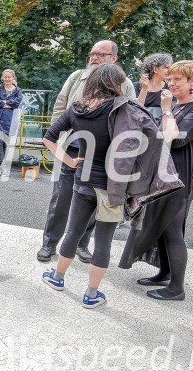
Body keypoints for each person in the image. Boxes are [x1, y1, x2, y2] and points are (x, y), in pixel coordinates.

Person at [119, 60, 193, 300]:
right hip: (165, 175)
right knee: (163, 226)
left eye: (178, 79)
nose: (172, 83)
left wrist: (167, 109)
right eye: (170, 79)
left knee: (172, 229)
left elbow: (176, 139)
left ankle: (176, 288)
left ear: (192, 81)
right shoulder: (181, 107)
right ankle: (165, 273)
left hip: (181, 177)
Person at [40, 64, 132, 308]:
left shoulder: (77, 108)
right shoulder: (121, 109)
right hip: (112, 186)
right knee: (103, 241)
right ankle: (91, 294)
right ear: (115, 83)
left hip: (83, 181)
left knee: (73, 231)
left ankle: (58, 277)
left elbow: (48, 137)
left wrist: (69, 161)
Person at [36, 40, 135, 264]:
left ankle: (81, 245)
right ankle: (49, 244)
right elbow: (60, 105)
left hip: (101, 156)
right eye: (92, 54)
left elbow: (131, 115)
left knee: (93, 202)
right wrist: (61, 134)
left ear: (114, 58)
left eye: (101, 54)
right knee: (60, 199)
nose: (94, 58)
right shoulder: (77, 77)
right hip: (71, 149)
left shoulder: (125, 83)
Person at [0, 69, 23, 175]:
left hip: (10, 120)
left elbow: (17, 103)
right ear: (3, 78)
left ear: (13, 78)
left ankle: (1, 166)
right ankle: (2, 166)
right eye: (5, 77)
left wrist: (4, 102)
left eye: (9, 77)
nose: (7, 79)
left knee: (5, 143)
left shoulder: (18, 90)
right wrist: (9, 104)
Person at [135, 53, 172, 117]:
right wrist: (144, 89)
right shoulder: (136, 86)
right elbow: (136, 110)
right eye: (166, 67)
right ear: (155, 69)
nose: (170, 71)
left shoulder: (170, 88)